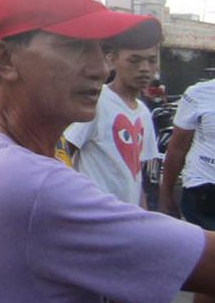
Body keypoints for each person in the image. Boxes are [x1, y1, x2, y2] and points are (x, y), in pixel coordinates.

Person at [0, 0, 215, 303]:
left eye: (104, 49)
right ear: (4, 60)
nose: (101, 68)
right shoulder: (34, 185)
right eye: (75, 45)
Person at [65, 40, 159, 206]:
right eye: (134, 60)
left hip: (126, 219)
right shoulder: (98, 102)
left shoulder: (143, 112)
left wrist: (142, 216)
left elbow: (137, 176)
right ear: (112, 60)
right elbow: (64, 151)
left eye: (151, 61)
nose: (145, 68)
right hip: (94, 216)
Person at [160, 77, 215, 303]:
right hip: (204, 188)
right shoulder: (199, 93)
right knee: (211, 270)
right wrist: (166, 194)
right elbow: (177, 147)